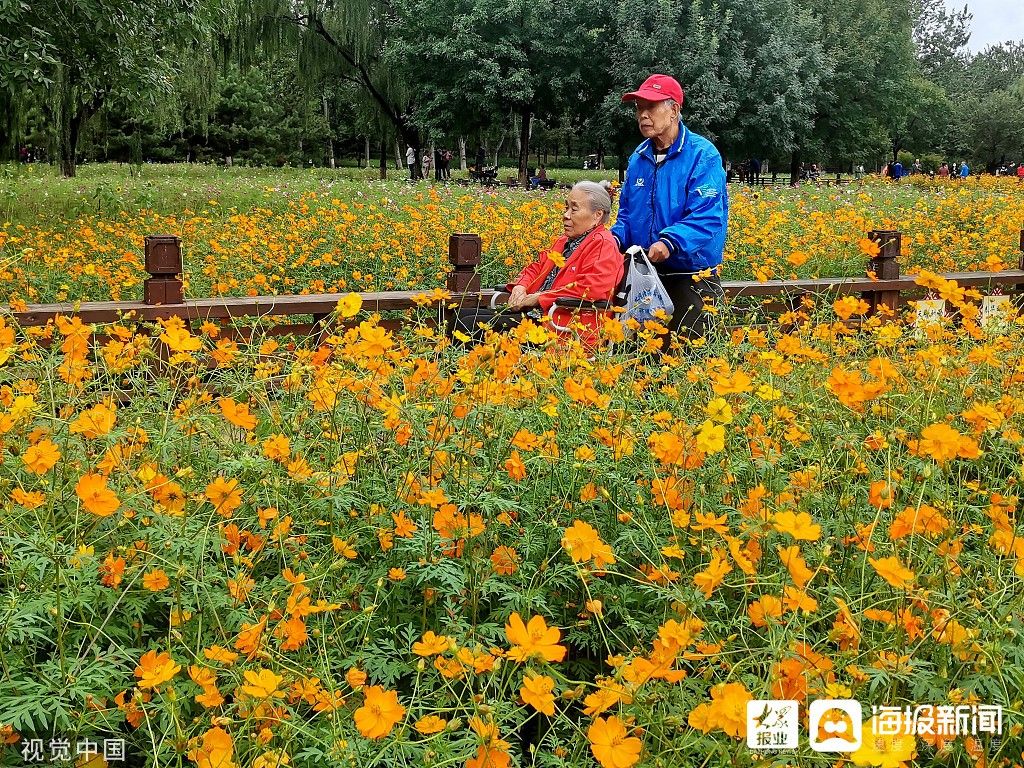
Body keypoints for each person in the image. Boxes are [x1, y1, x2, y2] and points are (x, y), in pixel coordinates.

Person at [611, 74, 727, 345]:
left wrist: (670, 242)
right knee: (640, 358)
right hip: (645, 275)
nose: (643, 115)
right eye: (639, 108)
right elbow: (627, 214)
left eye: (651, 107)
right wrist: (613, 239)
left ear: (674, 110)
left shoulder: (703, 155)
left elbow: (707, 215)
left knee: (691, 358)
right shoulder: (639, 157)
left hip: (690, 275)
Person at [450, 181, 623, 346]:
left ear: (597, 215)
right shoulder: (564, 241)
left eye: (574, 209)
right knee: (459, 315)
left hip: (562, 327)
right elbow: (535, 268)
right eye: (566, 207)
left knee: (468, 325)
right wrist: (520, 287)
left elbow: (591, 289)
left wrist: (539, 298)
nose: (566, 215)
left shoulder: (603, 243)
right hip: (537, 316)